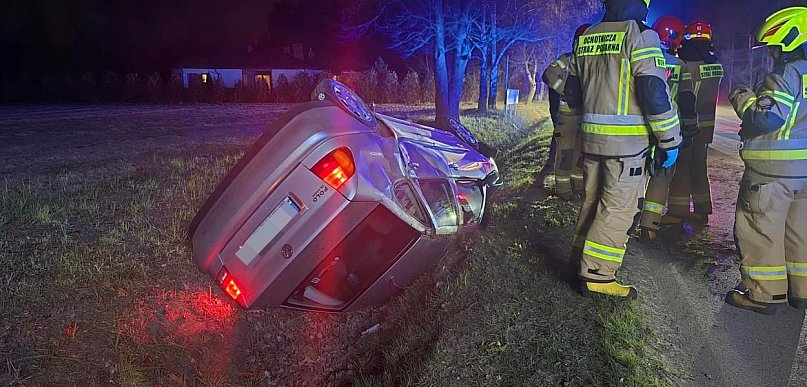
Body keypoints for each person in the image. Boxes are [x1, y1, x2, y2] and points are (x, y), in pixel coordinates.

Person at [565, 0, 682, 299]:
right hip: (627, 146)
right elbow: (654, 93)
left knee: (592, 203)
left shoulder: (588, 34)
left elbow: (572, 91)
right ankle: (597, 275)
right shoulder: (640, 34)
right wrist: (669, 140)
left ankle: (578, 262)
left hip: (591, 140)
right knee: (618, 209)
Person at [725, 6, 807, 315]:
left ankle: (763, 294)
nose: (771, 53)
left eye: (773, 47)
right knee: (799, 232)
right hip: (803, 173)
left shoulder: (785, 74)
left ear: (789, 40)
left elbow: (765, 118)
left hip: (772, 172)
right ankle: (801, 291)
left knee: (760, 229)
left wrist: (742, 98)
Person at [639, 15, 698, 242]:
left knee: (635, 173)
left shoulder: (642, 57)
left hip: (639, 127)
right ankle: (649, 226)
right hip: (667, 128)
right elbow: (687, 100)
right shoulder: (680, 66)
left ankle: (628, 218)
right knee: (662, 174)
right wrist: (690, 129)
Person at [666, 22, 724, 225]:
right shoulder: (716, 66)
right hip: (706, 127)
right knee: (699, 167)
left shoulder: (685, 65)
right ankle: (702, 209)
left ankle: (677, 211)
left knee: (681, 168)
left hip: (686, 124)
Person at [542, 24, 592, 202]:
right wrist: (566, 90)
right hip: (567, 116)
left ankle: (578, 186)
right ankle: (563, 190)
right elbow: (548, 75)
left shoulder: (593, 61)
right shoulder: (567, 59)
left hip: (586, 116)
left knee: (580, 154)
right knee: (566, 153)